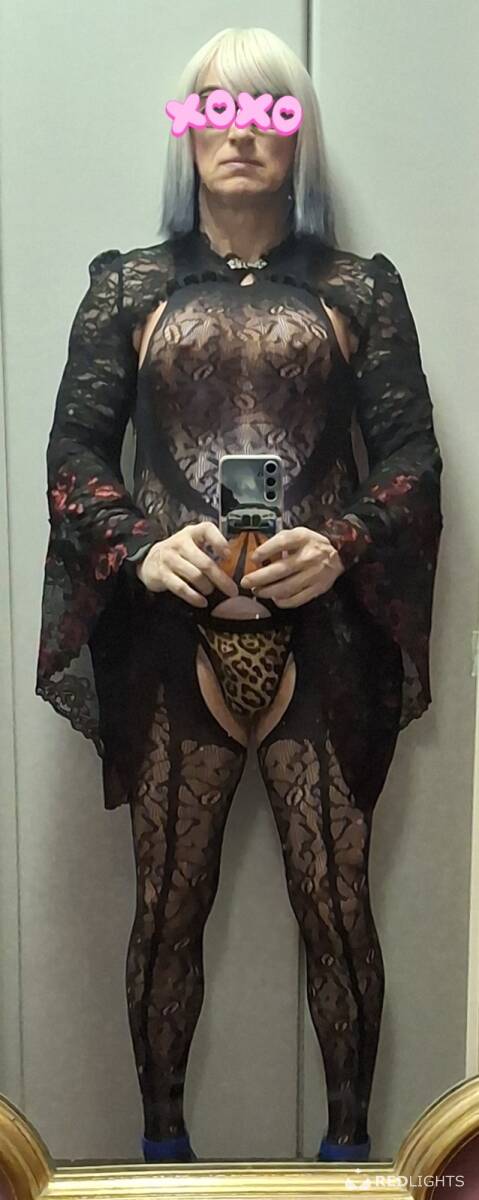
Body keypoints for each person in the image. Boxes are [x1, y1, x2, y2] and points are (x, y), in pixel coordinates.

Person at [35, 26, 443, 1165]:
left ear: (296, 132)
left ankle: (350, 1163)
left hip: (325, 634)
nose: (239, 131)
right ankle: (161, 1160)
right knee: (167, 906)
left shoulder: (359, 290)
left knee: (337, 907)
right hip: (172, 635)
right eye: (213, 107)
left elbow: (411, 462)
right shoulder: (128, 287)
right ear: (185, 130)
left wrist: (345, 541)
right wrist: (135, 547)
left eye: (267, 109)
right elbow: (73, 454)